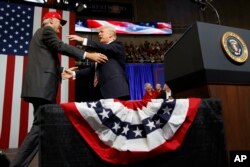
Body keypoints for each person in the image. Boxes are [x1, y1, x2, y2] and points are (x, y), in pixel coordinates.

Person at [10, 11, 108, 167]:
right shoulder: (47, 30)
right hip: (42, 87)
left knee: (41, 126)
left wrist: (61, 70)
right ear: (49, 20)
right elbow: (60, 46)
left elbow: (44, 60)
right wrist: (88, 55)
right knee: (40, 127)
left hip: (40, 85)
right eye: (59, 22)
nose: (60, 26)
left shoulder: (40, 34)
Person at [63, 26, 130, 100]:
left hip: (116, 91)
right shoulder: (102, 52)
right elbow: (93, 70)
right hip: (102, 94)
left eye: (102, 32)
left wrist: (83, 40)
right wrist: (73, 73)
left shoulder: (117, 45)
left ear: (110, 35)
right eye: (99, 32)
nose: (99, 34)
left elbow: (105, 48)